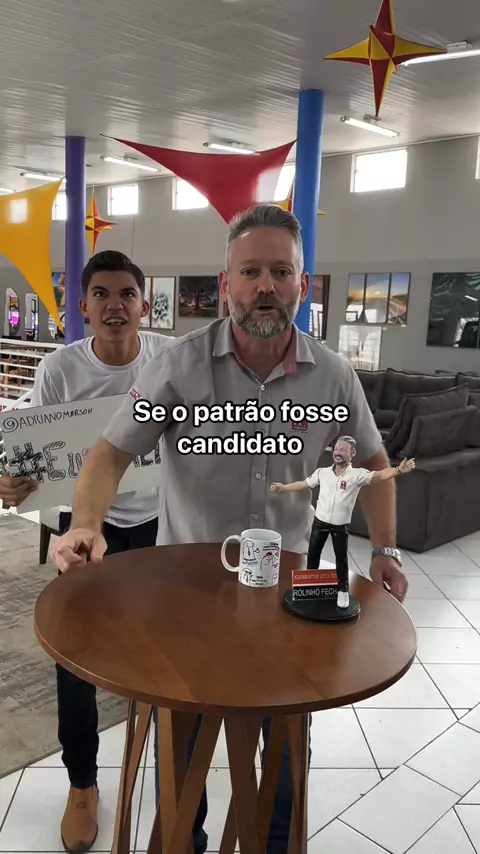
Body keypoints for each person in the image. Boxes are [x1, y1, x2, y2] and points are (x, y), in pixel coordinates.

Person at [52, 204, 408, 854]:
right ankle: (182, 841)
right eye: (250, 271)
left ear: (303, 284)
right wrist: (86, 524)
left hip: (293, 595)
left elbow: (376, 464)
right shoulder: (179, 367)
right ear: (225, 284)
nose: (265, 285)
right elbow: (110, 454)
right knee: (181, 751)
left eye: (280, 271)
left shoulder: (332, 375)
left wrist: (384, 549)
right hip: (187, 597)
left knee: (286, 751)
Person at [0, 250, 169, 854]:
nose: (114, 305)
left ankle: (173, 771)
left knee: (165, 652)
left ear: (145, 306)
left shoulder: (169, 359)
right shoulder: (59, 368)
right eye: (101, 294)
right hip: (87, 526)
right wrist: (13, 481)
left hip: (161, 522)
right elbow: (30, 450)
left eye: (127, 294)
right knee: (73, 653)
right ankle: (81, 783)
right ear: (83, 306)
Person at [271, 436, 415, 607]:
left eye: (343, 450)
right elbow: (303, 484)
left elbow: (380, 475)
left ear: (352, 453)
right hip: (319, 523)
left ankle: (342, 592)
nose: (338, 453)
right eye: (337, 449)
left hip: (339, 527)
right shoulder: (322, 473)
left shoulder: (357, 475)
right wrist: (283, 488)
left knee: (341, 560)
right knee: (313, 557)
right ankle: (308, 589)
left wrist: (398, 470)